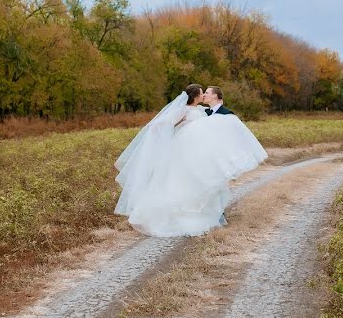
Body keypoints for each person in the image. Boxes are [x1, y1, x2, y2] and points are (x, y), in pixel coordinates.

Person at [114, 84, 268, 237]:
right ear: (195, 96)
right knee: (185, 183)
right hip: (184, 152)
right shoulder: (185, 110)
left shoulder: (203, 111)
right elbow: (163, 123)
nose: (204, 96)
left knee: (203, 183)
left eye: (206, 93)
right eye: (202, 93)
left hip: (201, 154)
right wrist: (159, 134)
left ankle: (212, 214)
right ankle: (183, 215)